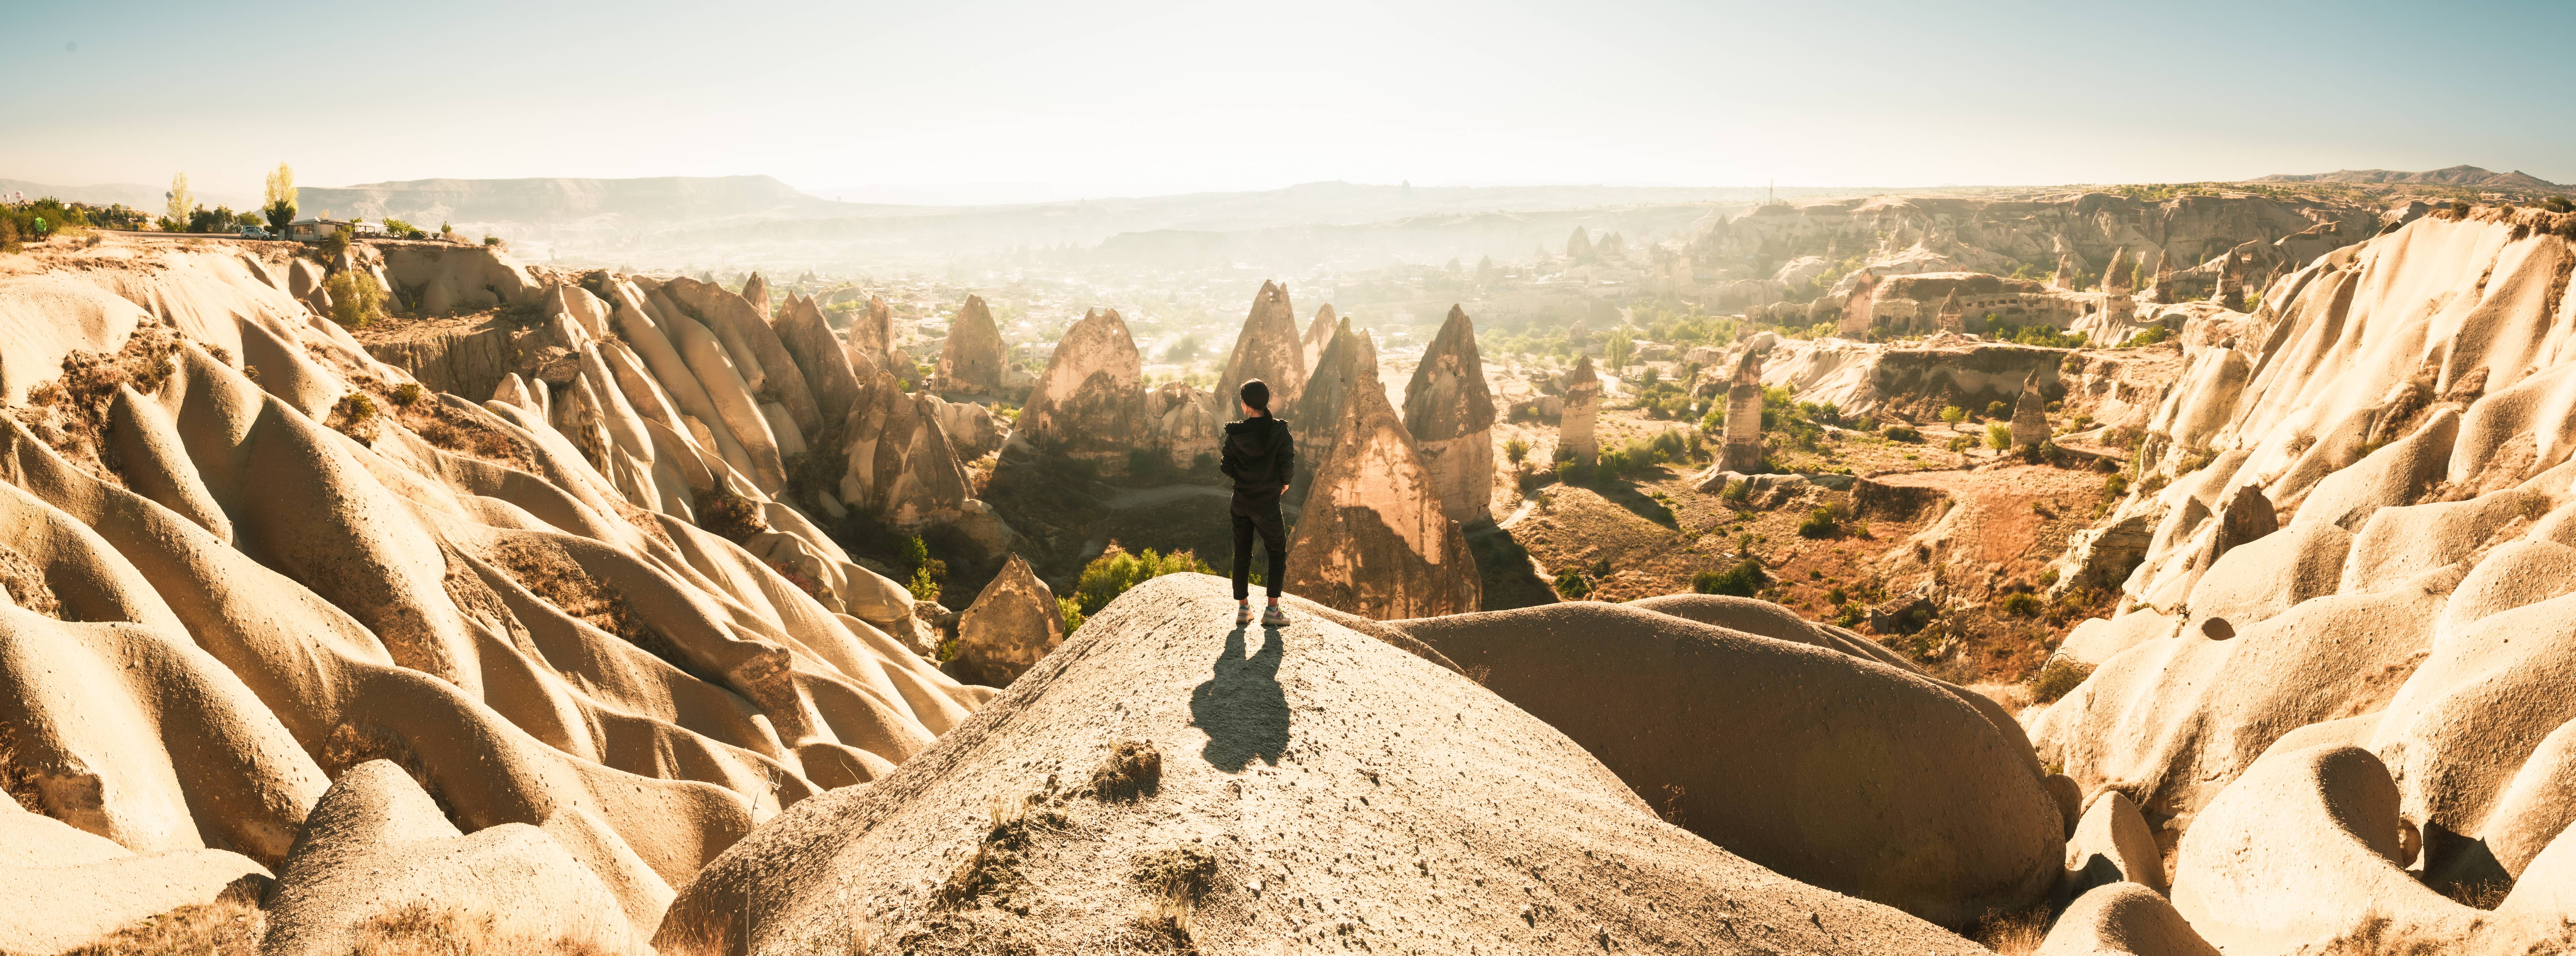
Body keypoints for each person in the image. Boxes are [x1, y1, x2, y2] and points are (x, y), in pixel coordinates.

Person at [1219, 379, 1294, 626]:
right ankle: (1272, 611)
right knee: (1276, 553)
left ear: (1245, 405)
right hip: (1267, 504)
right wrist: (1283, 484)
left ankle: (1243, 609)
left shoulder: (1236, 434)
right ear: (1265, 402)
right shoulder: (1279, 431)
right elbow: (1287, 462)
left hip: (1241, 501)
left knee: (1242, 553)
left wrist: (1244, 479)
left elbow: (1226, 466)